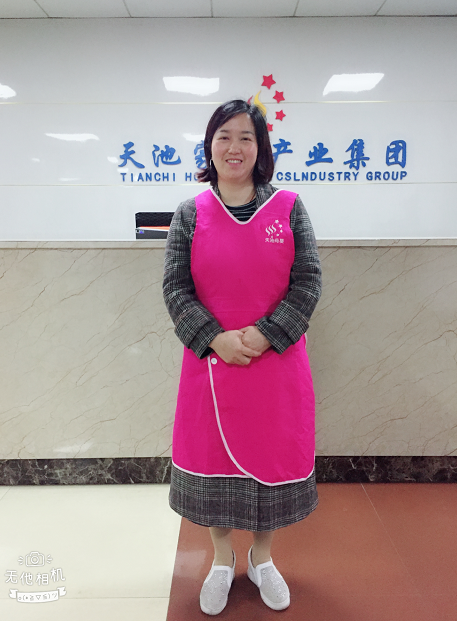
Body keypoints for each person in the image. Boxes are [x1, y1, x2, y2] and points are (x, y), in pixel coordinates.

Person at [162, 99, 322, 615]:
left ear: (261, 148)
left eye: (246, 137)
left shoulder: (290, 208)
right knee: (213, 468)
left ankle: (263, 558)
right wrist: (215, 337)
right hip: (211, 367)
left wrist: (267, 334)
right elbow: (175, 288)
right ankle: (221, 560)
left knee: (270, 465)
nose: (235, 147)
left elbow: (308, 283)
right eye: (224, 136)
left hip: (275, 364)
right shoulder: (190, 213)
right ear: (210, 146)